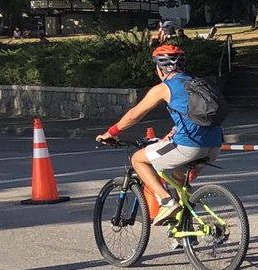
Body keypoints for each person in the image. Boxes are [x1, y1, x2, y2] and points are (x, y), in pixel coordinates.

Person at [95, 45, 223, 227]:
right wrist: (175, 130)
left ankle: (166, 201)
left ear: (159, 68)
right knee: (180, 180)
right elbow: (197, 115)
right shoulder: (197, 83)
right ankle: (185, 233)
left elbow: (134, 114)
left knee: (138, 159)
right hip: (214, 144)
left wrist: (111, 133)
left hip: (189, 146)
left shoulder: (164, 88)